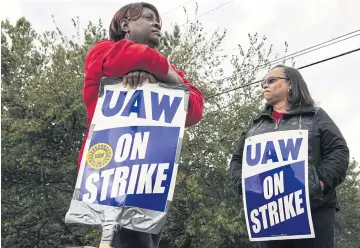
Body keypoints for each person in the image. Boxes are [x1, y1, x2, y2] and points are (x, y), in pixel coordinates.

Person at [77, 2, 204, 248]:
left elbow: (195, 108)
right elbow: (134, 56)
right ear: (125, 24)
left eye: (158, 20)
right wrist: (167, 77)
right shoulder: (103, 50)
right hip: (112, 171)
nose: (156, 23)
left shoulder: (167, 69)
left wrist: (156, 76)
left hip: (151, 176)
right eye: (148, 17)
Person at [229, 65, 349, 248]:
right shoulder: (254, 125)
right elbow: (237, 162)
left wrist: (319, 183)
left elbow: (338, 151)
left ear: (290, 84)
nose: (265, 86)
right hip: (270, 214)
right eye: (263, 82)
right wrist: (246, 188)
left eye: (271, 80)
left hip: (314, 211)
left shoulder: (315, 116)